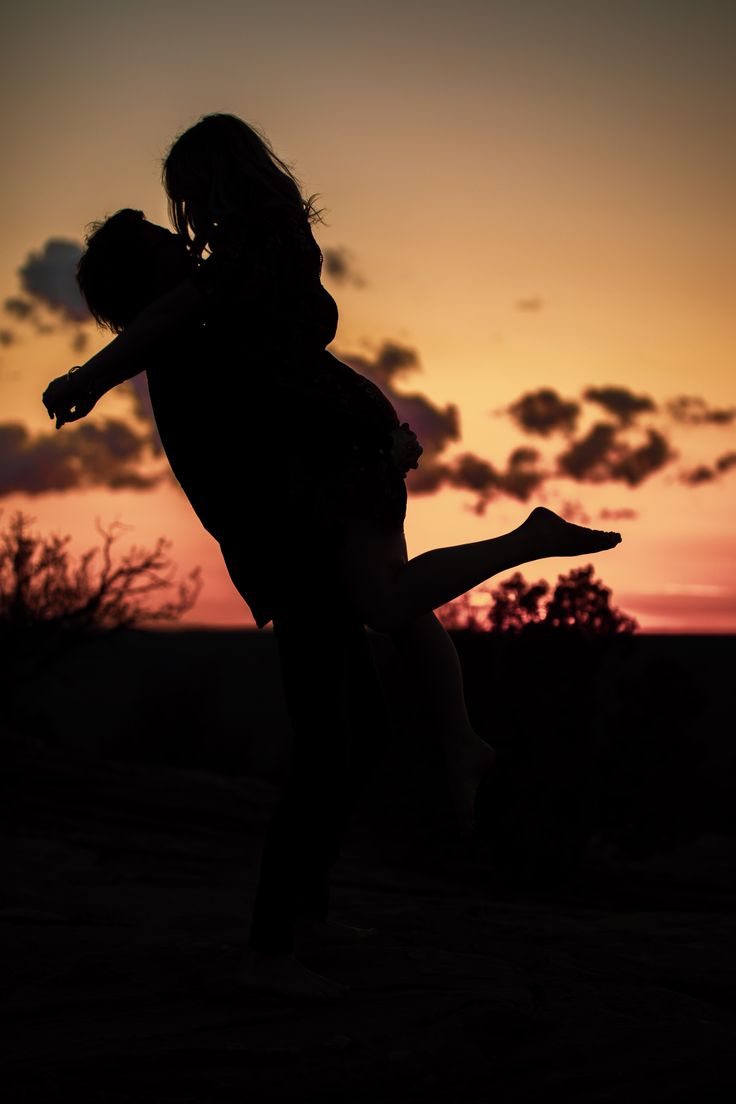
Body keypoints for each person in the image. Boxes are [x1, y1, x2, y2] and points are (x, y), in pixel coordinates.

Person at [43, 115, 622, 996]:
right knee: (336, 734)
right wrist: (370, 442)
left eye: (182, 218)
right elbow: (262, 417)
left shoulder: (221, 320)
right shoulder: (199, 337)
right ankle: (274, 943)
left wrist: (372, 440)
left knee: (357, 728)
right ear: (152, 276)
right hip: (294, 539)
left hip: (308, 524)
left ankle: (303, 916)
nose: (183, 236)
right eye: (168, 237)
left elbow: (293, 399)